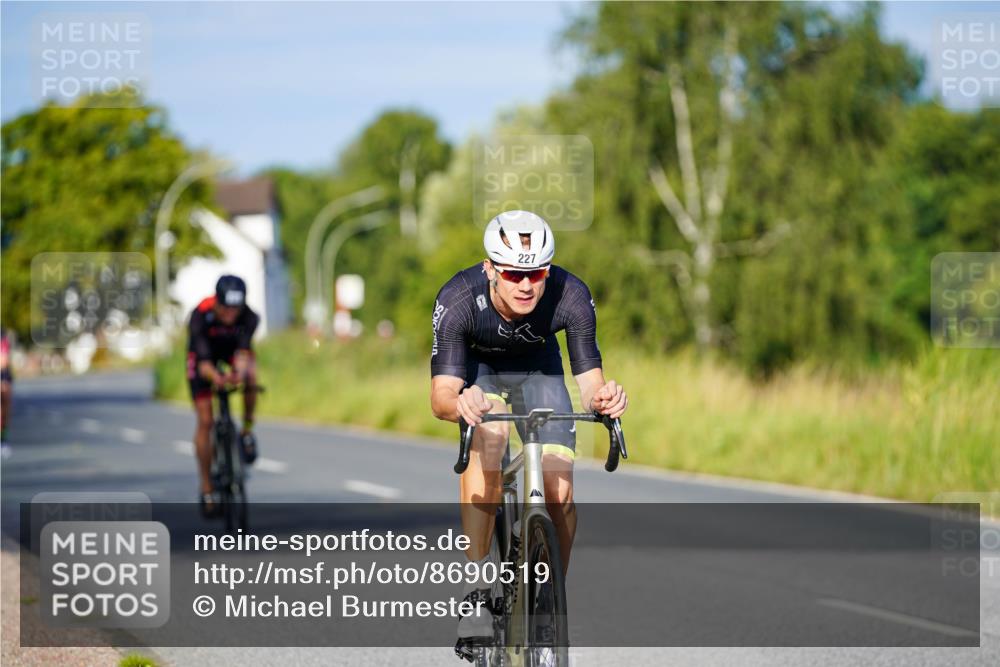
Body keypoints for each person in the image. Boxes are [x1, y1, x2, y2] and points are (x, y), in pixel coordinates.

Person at [429, 210, 628, 647]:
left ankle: (548, 596)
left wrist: (604, 399)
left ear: (548, 269)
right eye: (513, 273)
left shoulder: (570, 295)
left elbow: (590, 380)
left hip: (540, 371)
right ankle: (478, 590)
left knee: (560, 492)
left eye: (536, 273)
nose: (525, 285)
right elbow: (441, 395)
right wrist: (462, 401)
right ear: (490, 269)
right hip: (479, 371)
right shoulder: (459, 298)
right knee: (493, 435)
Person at [186, 275, 260, 517]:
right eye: (226, 308)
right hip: (203, 356)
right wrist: (217, 378)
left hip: (229, 351)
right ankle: (207, 486)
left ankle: (247, 430)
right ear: (217, 302)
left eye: (236, 308)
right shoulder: (199, 317)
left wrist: (238, 373)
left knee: (251, 376)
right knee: (206, 420)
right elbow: (204, 364)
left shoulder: (249, 317)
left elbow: (243, 352)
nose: (231, 314)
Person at [1, 328, 13, 454]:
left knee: (4, 411)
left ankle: (3, 440)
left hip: (4, 377)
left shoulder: (2, 337)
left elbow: (4, 361)